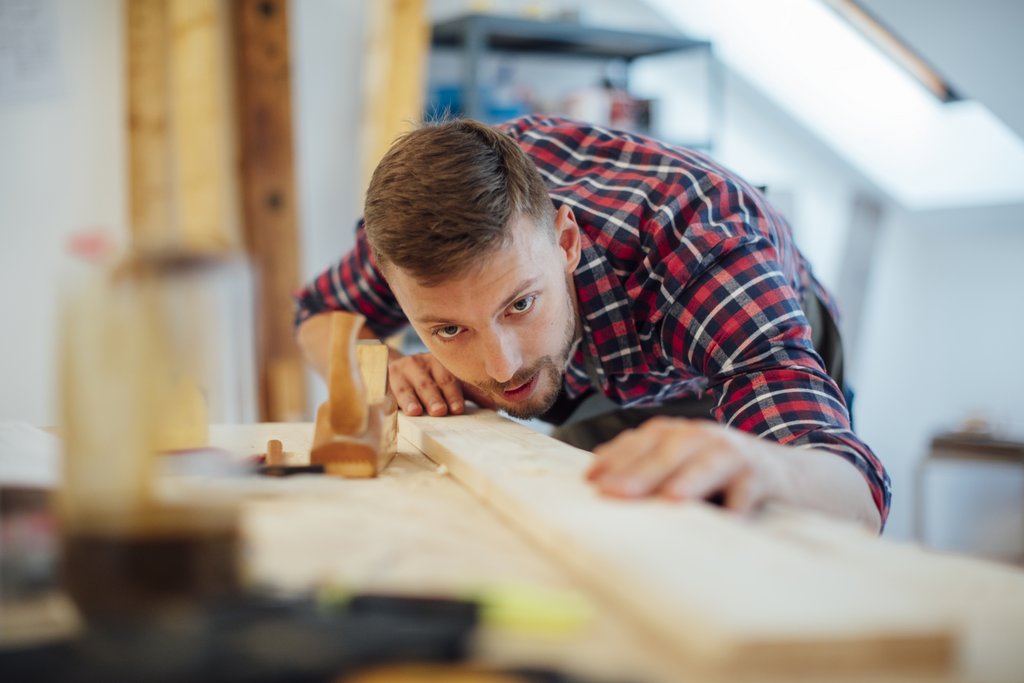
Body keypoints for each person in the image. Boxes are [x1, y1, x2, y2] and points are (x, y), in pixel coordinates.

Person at [294, 115, 890, 532]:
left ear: (567, 241)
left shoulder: (701, 247)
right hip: (592, 363)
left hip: (731, 337)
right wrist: (386, 369)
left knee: (761, 522)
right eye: (449, 330)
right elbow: (317, 316)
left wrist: (770, 464)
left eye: (519, 304)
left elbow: (854, 493)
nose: (500, 367)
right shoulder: (406, 243)